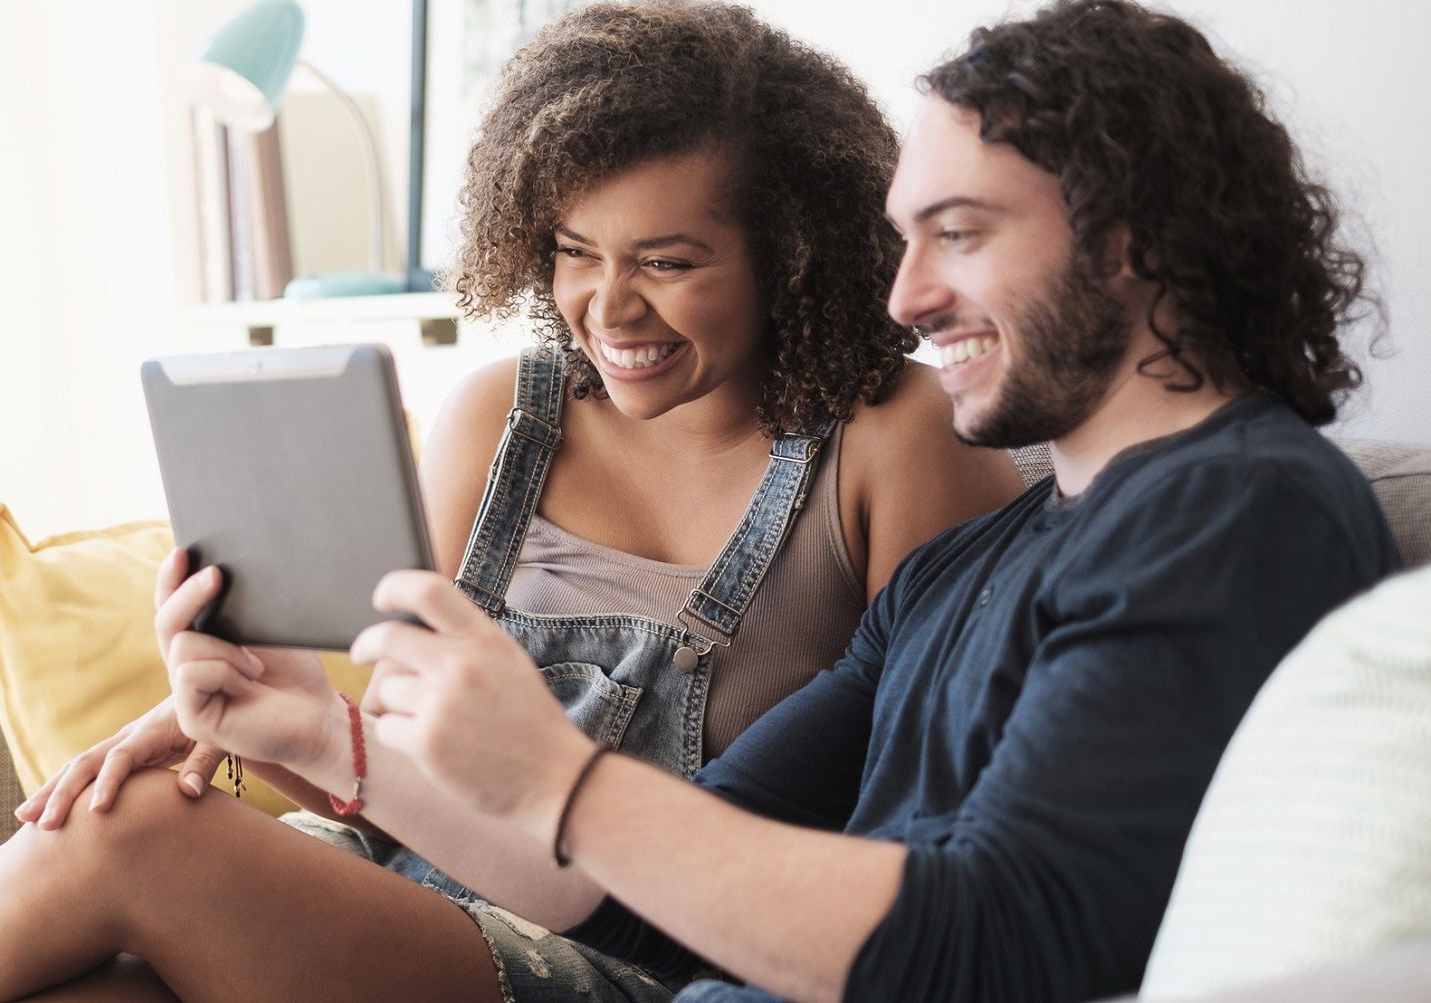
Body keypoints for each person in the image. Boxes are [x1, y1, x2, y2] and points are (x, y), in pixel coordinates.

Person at [154, 2, 1404, 1002]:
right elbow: (656, 888)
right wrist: (324, 736)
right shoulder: (966, 567)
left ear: (1133, 239)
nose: (905, 297)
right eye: (901, 241)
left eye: (957, 234)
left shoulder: (1238, 510)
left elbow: (1005, 943)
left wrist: (567, 781)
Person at [0, 4, 1022, 1002]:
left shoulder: (898, 442)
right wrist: (270, 722)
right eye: (572, 251)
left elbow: (917, 832)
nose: (607, 307)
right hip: (414, 887)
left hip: (646, 953)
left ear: (794, 254)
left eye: (668, 261)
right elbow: (410, 778)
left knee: (129, 838)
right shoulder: (501, 416)